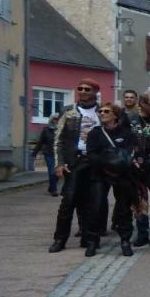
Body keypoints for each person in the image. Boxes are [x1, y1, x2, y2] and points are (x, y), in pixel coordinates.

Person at [48, 79, 102, 253]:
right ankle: (60, 239)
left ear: (95, 92)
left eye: (87, 89)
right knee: (68, 201)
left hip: (95, 163)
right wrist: (59, 163)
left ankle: (89, 238)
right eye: (80, 88)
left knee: (92, 203)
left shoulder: (103, 111)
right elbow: (59, 139)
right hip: (74, 162)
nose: (83, 91)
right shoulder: (68, 111)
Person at [84, 102, 141, 257]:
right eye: (100, 111)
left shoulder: (126, 133)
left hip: (121, 175)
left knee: (124, 209)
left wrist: (119, 166)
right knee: (95, 207)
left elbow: (130, 153)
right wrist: (107, 164)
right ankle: (92, 241)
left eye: (106, 111)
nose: (102, 113)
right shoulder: (95, 133)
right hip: (100, 173)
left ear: (115, 115)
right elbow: (91, 154)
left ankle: (125, 241)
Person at [126, 92, 150, 246]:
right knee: (139, 200)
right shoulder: (129, 118)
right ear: (141, 103)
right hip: (136, 165)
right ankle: (142, 233)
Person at [32, 114, 59, 195]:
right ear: (51, 119)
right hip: (49, 153)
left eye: (57, 119)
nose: (56, 120)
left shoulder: (61, 129)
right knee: (52, 172)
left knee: (57, 173)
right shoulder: (46, 130)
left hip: (58, 154)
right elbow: (40, 142)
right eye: (54, 119)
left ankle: (51, 187)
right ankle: (54, 190)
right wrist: (35, 152)